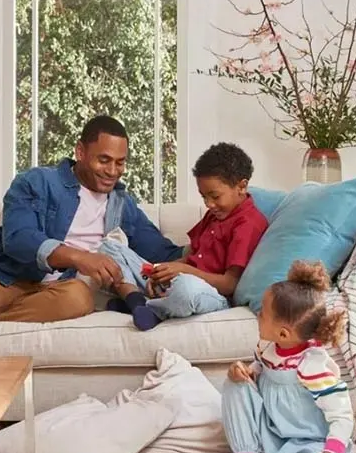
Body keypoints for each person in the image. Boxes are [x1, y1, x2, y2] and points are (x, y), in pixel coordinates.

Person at [0, 115, 185, 356]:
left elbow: (163, 252)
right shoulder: (36, 181)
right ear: (80, 152)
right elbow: (19, 238)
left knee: (78, 299)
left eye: (120, 163)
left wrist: (217, 242)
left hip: (56, 292)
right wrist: (80, 257)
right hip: (2, 276)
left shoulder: (123, 204)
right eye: (104, 160)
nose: (112, 171)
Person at [212, 260, 352, 453]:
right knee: (234, 383)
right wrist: (245, 370)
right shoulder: (268, 347)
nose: (258, 314)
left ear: (284, 333)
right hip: (271, 431)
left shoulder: (314, 366)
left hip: (307, 443)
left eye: (263, 313)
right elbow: (261, 371)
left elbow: (342, 416)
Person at [96, 142, 269, 331]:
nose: (209, 204)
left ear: (241, 186)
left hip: (210, 294)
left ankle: (153, 310)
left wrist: (183, 271)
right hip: (179, 280)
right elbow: (192, 257)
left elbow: (229, 284)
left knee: (186, 291)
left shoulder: (248, 224)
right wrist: (162, 273)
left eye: (215, 196)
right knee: (109, 247)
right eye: (204, 197)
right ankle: (136, 301)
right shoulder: (215, 215)